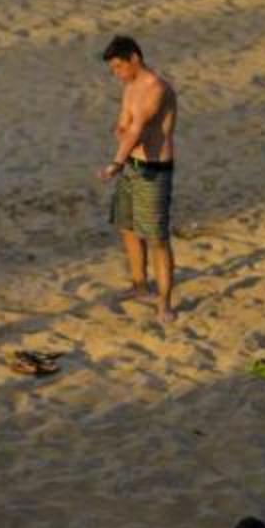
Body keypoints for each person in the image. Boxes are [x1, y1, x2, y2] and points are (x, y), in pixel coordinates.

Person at [98, 35, 178, 320]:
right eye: (113, 69)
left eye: (119, 67)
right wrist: (122, 136)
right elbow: (123, 125)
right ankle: (140, 285)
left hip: (153, 170)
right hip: (132, 165)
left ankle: (164, 302)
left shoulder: (156, 89)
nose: (117, 74)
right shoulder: (130, 87)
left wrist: (115, 163)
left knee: (157, 239)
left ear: (135, 58)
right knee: (127, 227)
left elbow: (137, 129)